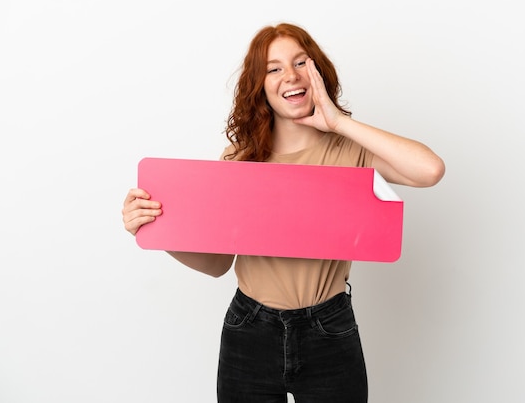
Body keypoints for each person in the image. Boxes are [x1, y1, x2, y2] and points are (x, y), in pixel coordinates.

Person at [122, 22, 445, 403]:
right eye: (273, 68)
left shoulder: (352, 152)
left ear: (318, 72)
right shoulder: (239, 159)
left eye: (300, 63)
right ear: (260, 86)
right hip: (250, 329)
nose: (289, 76)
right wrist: (157, 230)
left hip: (329, 326)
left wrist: (339, 122)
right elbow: (216, 264)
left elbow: (430, 170)